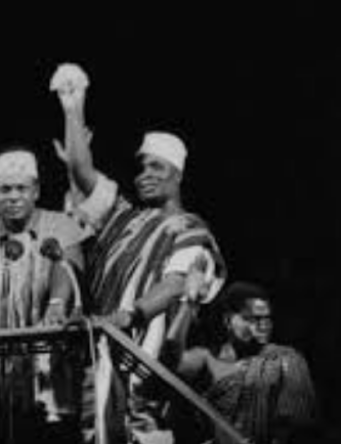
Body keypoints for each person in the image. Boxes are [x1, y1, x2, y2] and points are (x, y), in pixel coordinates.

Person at [50, 63, 226, 443]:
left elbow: (176, 284)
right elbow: (82, 171)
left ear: (178, 174)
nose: (144, 173)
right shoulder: (123, 216)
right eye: (142, 166)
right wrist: (73, 107)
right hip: (103, 360)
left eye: (156, 167)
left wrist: (129, 315)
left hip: (152, 375)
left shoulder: (191, 229)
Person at [0, 148, 88, 444]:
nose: (14, 197)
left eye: (22, 188)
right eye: (5, 189)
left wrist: (57, 302)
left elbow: (68, 266)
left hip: (50, 380)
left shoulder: (60, 224)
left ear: (36, 191)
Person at [165, 281, 317, 444]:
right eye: (252, 319)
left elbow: (296, 425)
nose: (263, 326)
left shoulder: (285, 359)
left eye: (266, 319)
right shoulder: (207, 357)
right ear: (228, 320)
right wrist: (189, 303)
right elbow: (171, 361)